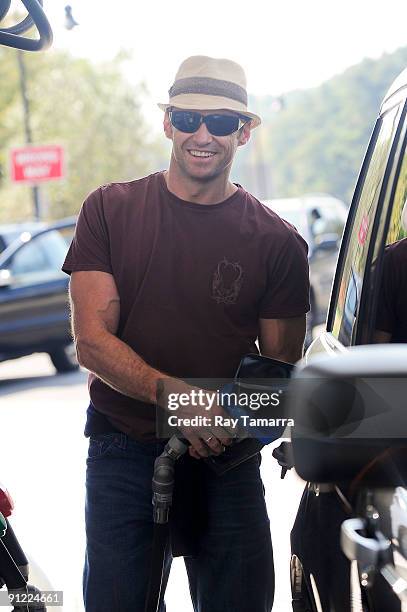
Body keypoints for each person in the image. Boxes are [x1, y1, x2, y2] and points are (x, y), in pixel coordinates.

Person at [62, 55, 310, 612]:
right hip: (122, 447)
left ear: (243, 133)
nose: (203, 135)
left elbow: (275, 375)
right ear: (167, 122)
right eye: (189, 118)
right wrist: (181, 403)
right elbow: (93, 342)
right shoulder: (108, 210)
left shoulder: (278, 242)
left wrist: (219, 422)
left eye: (221, 123)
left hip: (228, 458)